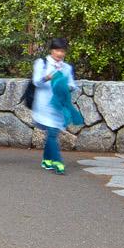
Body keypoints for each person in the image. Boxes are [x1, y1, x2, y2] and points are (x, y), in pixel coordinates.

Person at [31, 37, 83, 174]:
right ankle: (58, 162)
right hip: (44, 105)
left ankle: (46, 160)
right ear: (51, 50)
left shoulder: (66, 67)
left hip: (58, 105)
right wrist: (46, 78)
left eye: (62, 51)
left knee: (52, 133)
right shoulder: (41, 63)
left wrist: (65, 86)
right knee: (53, 133)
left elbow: (72, 85)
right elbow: (36, 82)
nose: (60, 54)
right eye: (57, 50)